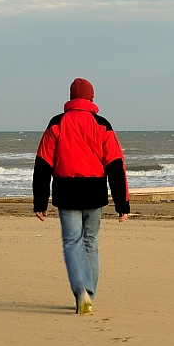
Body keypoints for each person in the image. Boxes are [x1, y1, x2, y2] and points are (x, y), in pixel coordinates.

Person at [33, 77, 130, 314]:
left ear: (70, 98)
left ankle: (80, 291)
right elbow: (116, 165)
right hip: (94, 192)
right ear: (91, 98)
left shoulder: (57, 123)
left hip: (66, 192)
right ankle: (89, 292)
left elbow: (43, 163)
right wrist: (122, 204)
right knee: (90, 242)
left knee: (72, 242)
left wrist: (40, 200)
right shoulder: (102, 124)